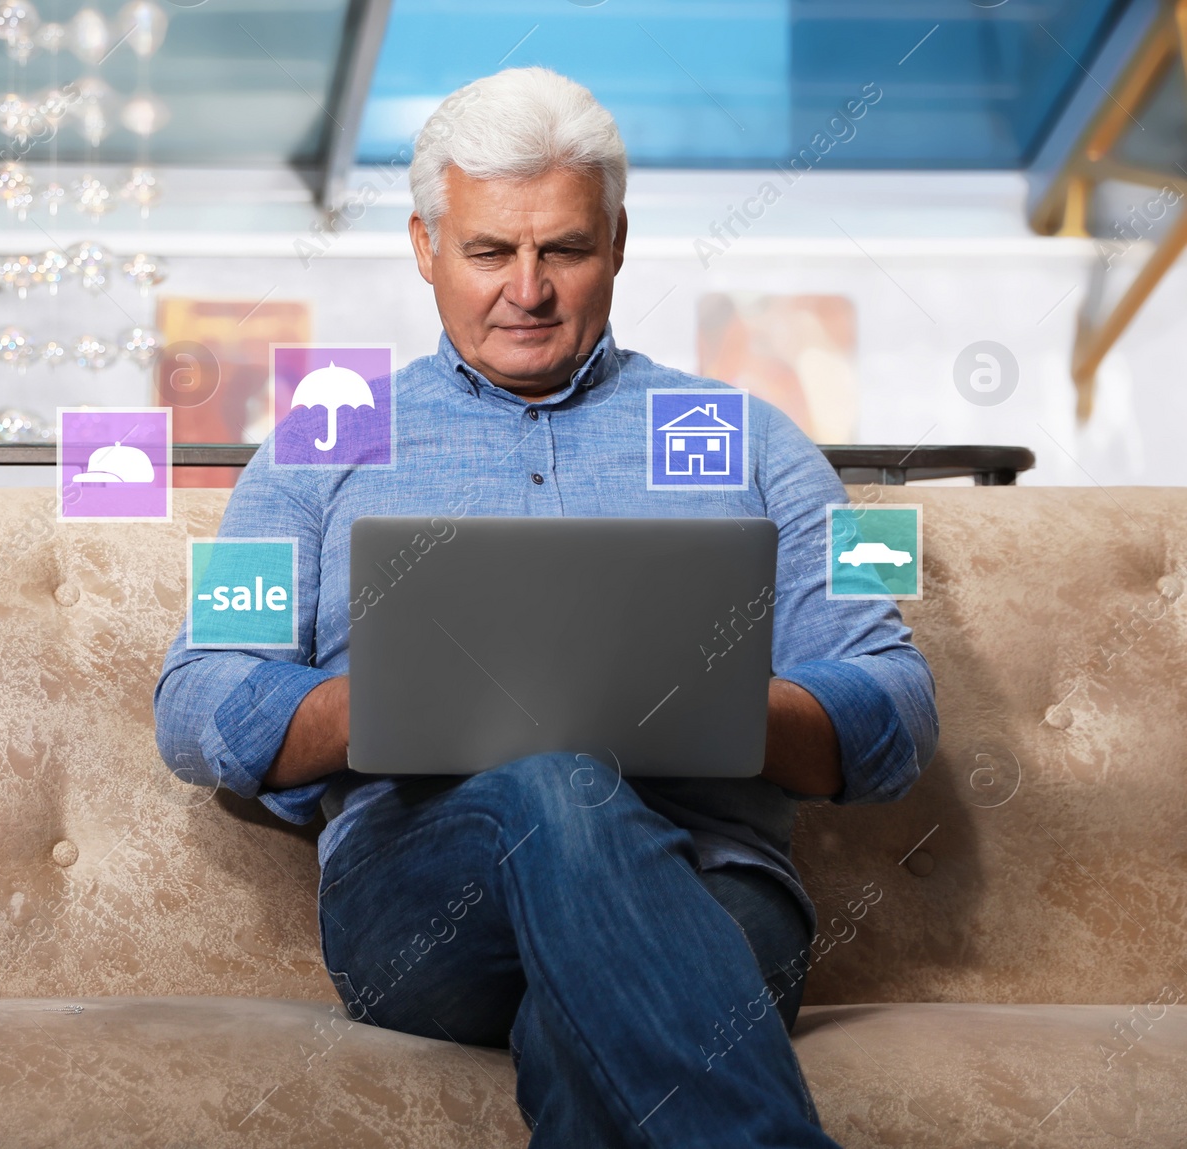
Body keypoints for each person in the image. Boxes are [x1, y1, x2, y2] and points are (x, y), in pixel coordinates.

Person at [155, 67, 937, 1148]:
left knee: (585, 1033)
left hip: (712, 891)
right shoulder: (314, 447)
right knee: (553, 781)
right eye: (487, 252)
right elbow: (196, 695)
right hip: (424, 909)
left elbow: (896, 701)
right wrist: (386, 697)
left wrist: (714, 705)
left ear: (616, 242)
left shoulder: (759, 445)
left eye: (563, 249)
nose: (526, 289)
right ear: (426, 248)